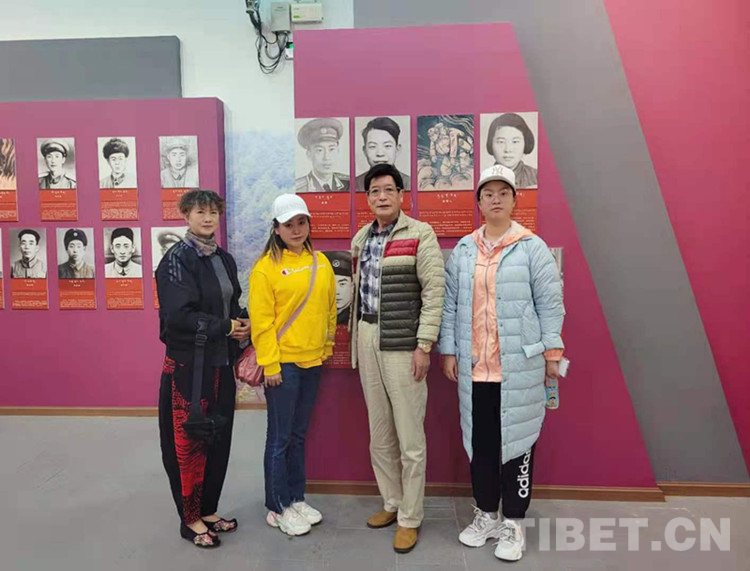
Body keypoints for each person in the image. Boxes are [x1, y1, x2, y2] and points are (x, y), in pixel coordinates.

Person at [439, 164, 564, 562]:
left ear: (514, 200)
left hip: (519, 368)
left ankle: (513, 521)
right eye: (488, 194)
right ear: (478, 202)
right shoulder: (464, 251)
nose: (495, 200)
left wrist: (552, 354)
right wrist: (449, 350)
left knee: (518, 442)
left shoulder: (532, 248)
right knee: (481, 444)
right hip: (475, 369)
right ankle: (486, 515)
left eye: (503, 193)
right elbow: (450, 306)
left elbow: (551, 305)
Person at [350, 163, 445, 553]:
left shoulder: (420, 234)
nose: (382, 196)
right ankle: (391, 501)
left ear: (401, 195)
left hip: (404, 344)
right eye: (374, 191)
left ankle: (410, 516)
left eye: (389, 189)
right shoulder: (361, 238)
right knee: (379, 433)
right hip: (367, 336)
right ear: (368, 198)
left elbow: (434, 292)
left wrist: (424, 345)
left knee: (410, 437)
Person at [156, 189, 250, 548]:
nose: (208, 218)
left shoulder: (223, 258)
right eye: (200, 212)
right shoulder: (176, 260)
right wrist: (225, 326)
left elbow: (231, 303)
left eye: (213, 212)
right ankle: (190, 519)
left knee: (218, 439)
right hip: (188, 370)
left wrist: (242, 322)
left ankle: (208, 510)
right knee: (188, 444)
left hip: (220, 363)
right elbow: (177, 318)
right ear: (186, 215)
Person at [249, 193, 337, 537]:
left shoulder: (321, 262)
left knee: (299, 435)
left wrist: (327, 345)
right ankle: (277, 506)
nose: (296, 229)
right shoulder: (265, 269)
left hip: (313, 361)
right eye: (289, 224)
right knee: (280, 437)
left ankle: (296, 498)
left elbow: (330, 308)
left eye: (301, 222)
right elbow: (262, 323)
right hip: (283, 365)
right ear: (276, 229)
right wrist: (270, 364)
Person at [354, 117, 411, 190]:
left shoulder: (411, 183)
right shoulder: (355, 184)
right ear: (365, 151)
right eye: (372, 146)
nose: (380, 154)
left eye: (387, 146)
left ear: (397, 149)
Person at [294, 118, 350, 192]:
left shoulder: (349, 184)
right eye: (319, 150)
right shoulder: (298, 189)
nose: (326, 157)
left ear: (338, 151)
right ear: (309, 154)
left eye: (331, 149)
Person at [486, 113, 538, 189]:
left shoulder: (537, 177)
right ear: (490, 143)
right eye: (501, 142)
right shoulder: (483, 177)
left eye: (515, 142)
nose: (508, 149)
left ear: (525, 143)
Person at [324, 251, 353, 325]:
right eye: (331, 284)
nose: (336, 292)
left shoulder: (355, 318)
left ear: (352, 285)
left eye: (342, 284)